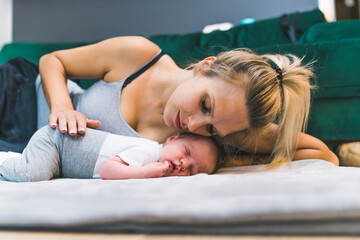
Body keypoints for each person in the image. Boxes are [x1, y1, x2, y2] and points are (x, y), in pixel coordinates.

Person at [0, 36, 339, 168]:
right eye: (205, 105)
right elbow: (52, 61)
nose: (193, 124)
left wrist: (231, 156)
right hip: (20, 95)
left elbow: (323, 155)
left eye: (211, 128)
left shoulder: (213, 136)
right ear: (206, 66)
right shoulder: (139, 55)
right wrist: (62, 107)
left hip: (27, 153)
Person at [0, 125, 219, 182]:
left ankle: (16, 159)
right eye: (186, 152)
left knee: (43, 171)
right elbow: (108, 170)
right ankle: (3, 161)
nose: (183, 164)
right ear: (173, 138)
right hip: (56, 141)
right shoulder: (148, 151)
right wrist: (146, 172)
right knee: (33, 175)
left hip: (61, 158)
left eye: (192, 170)